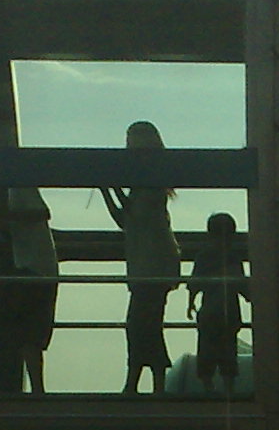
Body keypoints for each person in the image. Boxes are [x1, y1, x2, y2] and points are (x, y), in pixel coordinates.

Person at [101, 120, 181, 395]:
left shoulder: (148, 187)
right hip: (153, 263)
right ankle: (152, 382)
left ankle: (137, 382)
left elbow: (127, 219)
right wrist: (109, 190)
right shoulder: (152, 185)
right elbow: (130, 218)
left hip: (150, 264)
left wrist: (108, 189)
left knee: (138, 324)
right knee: (146, 323)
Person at [0, 187, 58, 395]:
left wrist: (0, 215)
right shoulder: (14, 189)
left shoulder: (19, 188)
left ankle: (37, 390)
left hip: (35, 268)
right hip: (33, 267)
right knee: (27, 334)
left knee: (27, 333)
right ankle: (37, 389)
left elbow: (42, 213)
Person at [187, 212, 246, 395]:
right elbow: (242, 283)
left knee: (207, 352)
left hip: (209, 313)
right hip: (229, 311)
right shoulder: (233, 256)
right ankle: (229, 389)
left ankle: (208, 388)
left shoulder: (204, 256)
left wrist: (190, 303)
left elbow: (194, 283)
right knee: (228, 353)